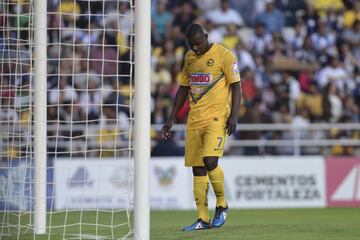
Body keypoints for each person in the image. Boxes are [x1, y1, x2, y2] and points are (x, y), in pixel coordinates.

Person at [161, 23, 241, 231]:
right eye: (192, 45)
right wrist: (171, 119)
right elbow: (183, 89)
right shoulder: (189, 58)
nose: (195, 48)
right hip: (194, 119)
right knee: (197, 167)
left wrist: (234, 115)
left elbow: (236, 85)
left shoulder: (224, 55)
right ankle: (202, 219)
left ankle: (222, 204)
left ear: (206, 36)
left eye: (198, 44)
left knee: (210, 160)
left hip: (217, 118)